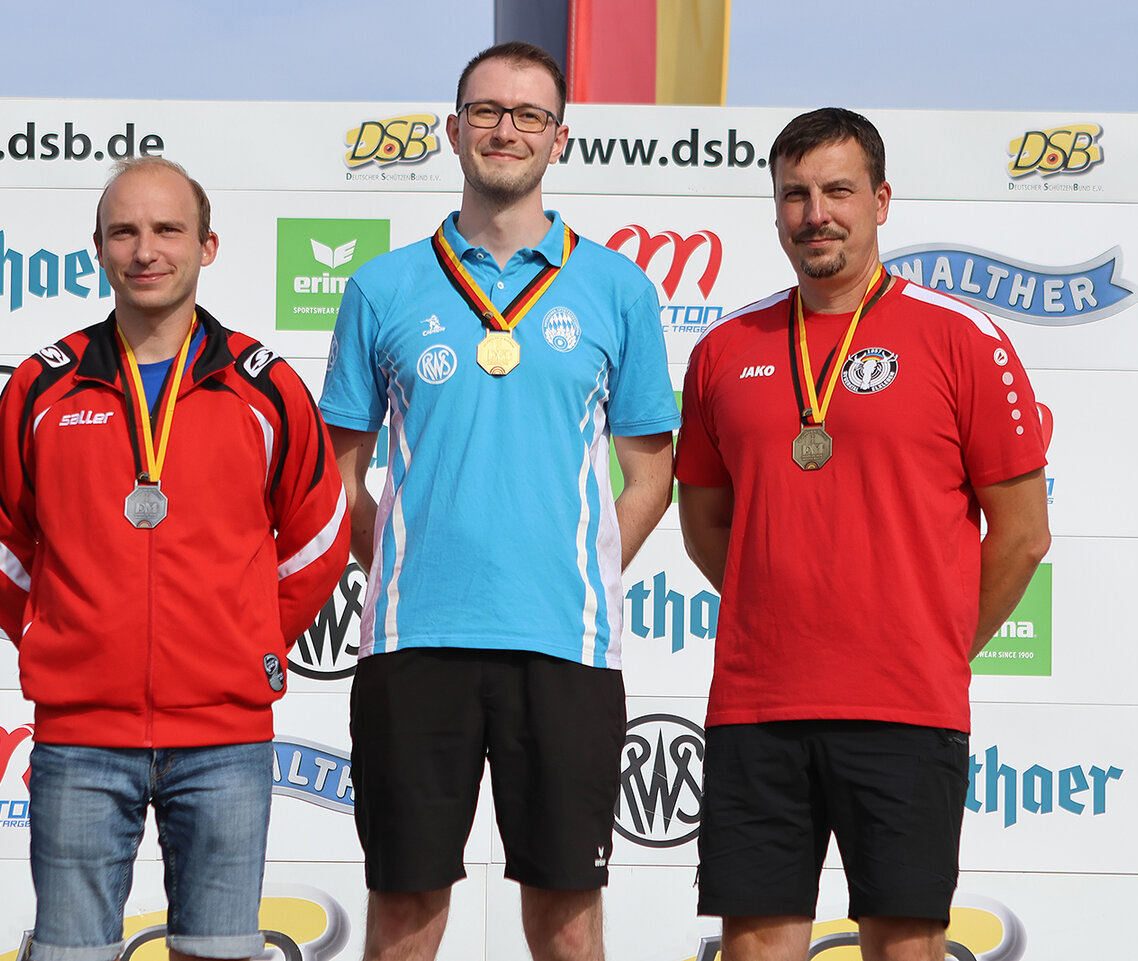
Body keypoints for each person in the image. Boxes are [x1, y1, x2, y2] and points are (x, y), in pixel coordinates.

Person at [319, 41, 679, 961]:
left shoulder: (618, 288)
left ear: (560, 139)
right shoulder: (381, 286)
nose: (504, 129)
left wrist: (580, 563)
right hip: (414, 640)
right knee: (404, 912)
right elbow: (339, 475)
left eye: (528, 115)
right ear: (453, 130)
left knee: (567, 917)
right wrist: (400, 560)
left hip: (564, 644)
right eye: (485, 111)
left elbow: (650, 474)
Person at [676, 107, 1051, 961]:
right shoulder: (724, 348)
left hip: (905, 705)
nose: (817, 214)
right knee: (753, 946)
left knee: (904, 945)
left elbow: (1023, 532)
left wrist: (935, 641)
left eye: (838, 191)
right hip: (758, 705)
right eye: (795, 194)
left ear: (881, 200)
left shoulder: (961, 337)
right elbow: (705, 524)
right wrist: (782, 611)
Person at [0, 157, 349, 961]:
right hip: (79, 734)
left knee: (218, 953)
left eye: (168, 230)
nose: (146, 250)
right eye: (125, 232)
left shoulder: (265, 388)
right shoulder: (42, 387)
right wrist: (58, 634)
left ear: (207, 246)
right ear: (98, 248)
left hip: (224, 738)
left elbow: (318, 534)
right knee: (69, 954)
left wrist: (247, 638)